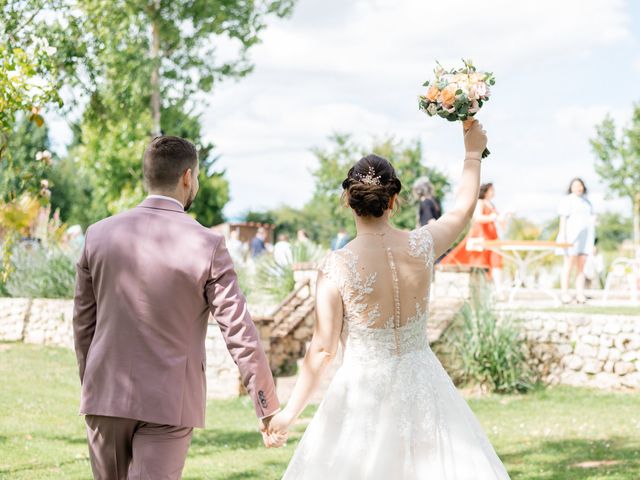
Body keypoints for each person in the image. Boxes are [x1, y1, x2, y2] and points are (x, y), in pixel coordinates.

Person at [264, 121, 511, 479]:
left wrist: (288, 414)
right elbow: (462, 210)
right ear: (394, 200)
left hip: (362, 394)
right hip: (425, 386)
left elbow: (322, 350)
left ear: (347, 200)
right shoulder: (422, 245)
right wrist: (472, 153)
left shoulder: (336, 266)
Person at [72, 136, 279, 479]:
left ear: (147, 176)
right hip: (170, 403)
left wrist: (94, 383)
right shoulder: (208, 245)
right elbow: (239, 331)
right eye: (196, 177)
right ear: (187, 177)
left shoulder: (98, 235)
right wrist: (266, 406)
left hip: (105, 396)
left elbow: (83, 324)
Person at [439, 182, 506, 296]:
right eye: (491, 189)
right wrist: (492, 217)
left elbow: (500, 223)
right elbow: (478, 218)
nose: (493, 191)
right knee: (479, 262)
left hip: (492, 237)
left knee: (496, 262)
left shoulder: (492, 205)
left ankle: (499, 290)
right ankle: (479, 291)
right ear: (486, 191)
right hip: (480, 236)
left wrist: (503, 217)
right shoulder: (479, 203)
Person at [556, 178, 595, 303]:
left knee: (581, 267)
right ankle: (564, 293)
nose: (578, 188)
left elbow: (591, 222)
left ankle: (580, 294)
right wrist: (563, 236)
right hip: (571, 238)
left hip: (585, 239)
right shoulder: (567, 200)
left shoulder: (587, 202)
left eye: (580, 185)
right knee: (568, 265)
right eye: (575, 185)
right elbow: (563, 219)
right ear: (571, 187)